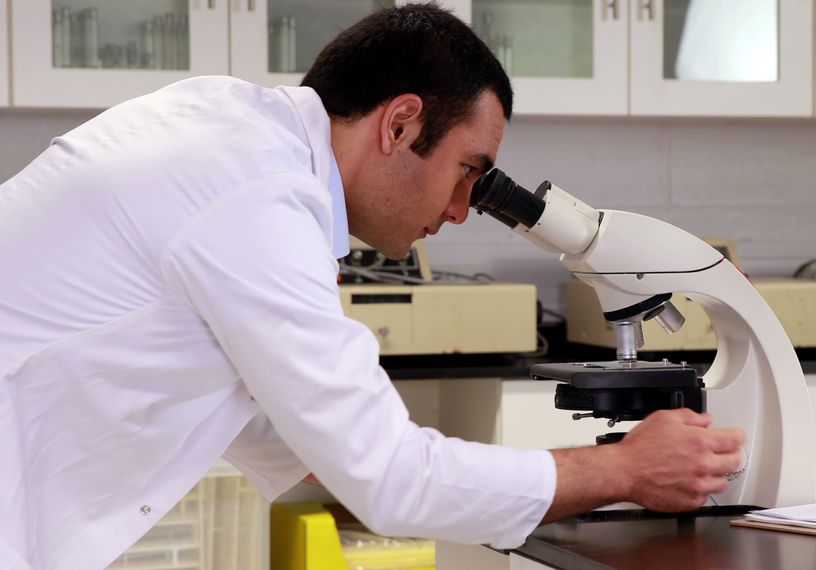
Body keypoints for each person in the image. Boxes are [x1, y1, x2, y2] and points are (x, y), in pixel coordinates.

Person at [0, 4, 745, 569]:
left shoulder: (235, 140)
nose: (460, 211)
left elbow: (307, 449)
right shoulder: (255, 193)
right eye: (466, 172)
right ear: (400, 125)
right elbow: (385, 477)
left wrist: (545, 487)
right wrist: (619, 469)